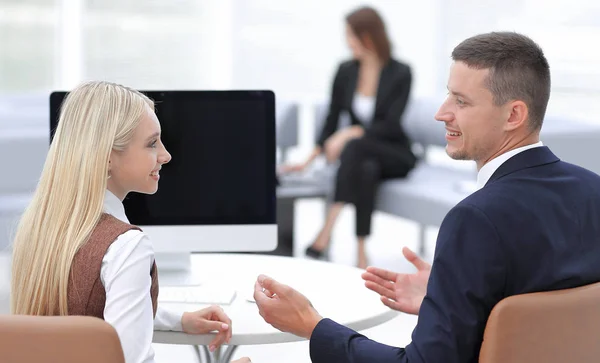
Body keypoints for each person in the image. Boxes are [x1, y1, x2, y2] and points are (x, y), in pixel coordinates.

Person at [253, 31, 600, 362]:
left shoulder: (476, 219)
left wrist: (312, 326)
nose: (441, 113)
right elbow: (547, 316)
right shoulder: (593, 189)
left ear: (514, 115)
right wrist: (450, 297)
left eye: (461, 101)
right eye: (449, 94)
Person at [10, 81, 250, 363]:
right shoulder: (126, 247)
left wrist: (177, 319)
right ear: (108, 157)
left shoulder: (40, 227)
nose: (166, 155)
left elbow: (89, 313)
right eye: (152, 143)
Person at [280, 6, 416, 269]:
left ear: (369, 36)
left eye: (352, 36)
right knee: (365, 168)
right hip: (362, 155)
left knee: (355, 147)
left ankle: (325, 231)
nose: (348, 42)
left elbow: (390, 124)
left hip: (395, 153)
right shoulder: (346, 71)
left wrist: (349, 132)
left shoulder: (401, 72)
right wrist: (308, 159)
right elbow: (332, 117)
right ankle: (361, 252)